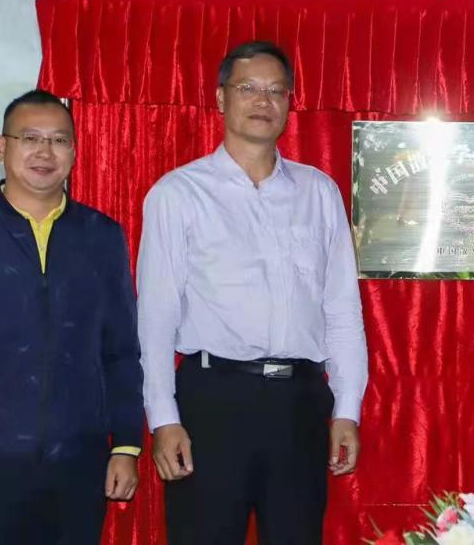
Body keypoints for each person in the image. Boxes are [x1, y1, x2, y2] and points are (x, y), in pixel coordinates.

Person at [136, 40, 368, 545]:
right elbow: (155, 317)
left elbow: (342, 311)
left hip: (299, 403)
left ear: (289, 103)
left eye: (276, 91)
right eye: (248, 88)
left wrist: (347, 409)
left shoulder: (318, 192)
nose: (263, 101)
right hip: (213, 401)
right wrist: (164, 419)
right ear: (221, 98)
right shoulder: (179, 193)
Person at [0, 89, 143, 544]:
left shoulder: (101, 236)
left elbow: (120, 351)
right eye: (30, 138)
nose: (44, 152)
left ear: (74, 152)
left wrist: (126, 445)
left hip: (79, 463)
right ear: (2, 147)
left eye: (58, 140)